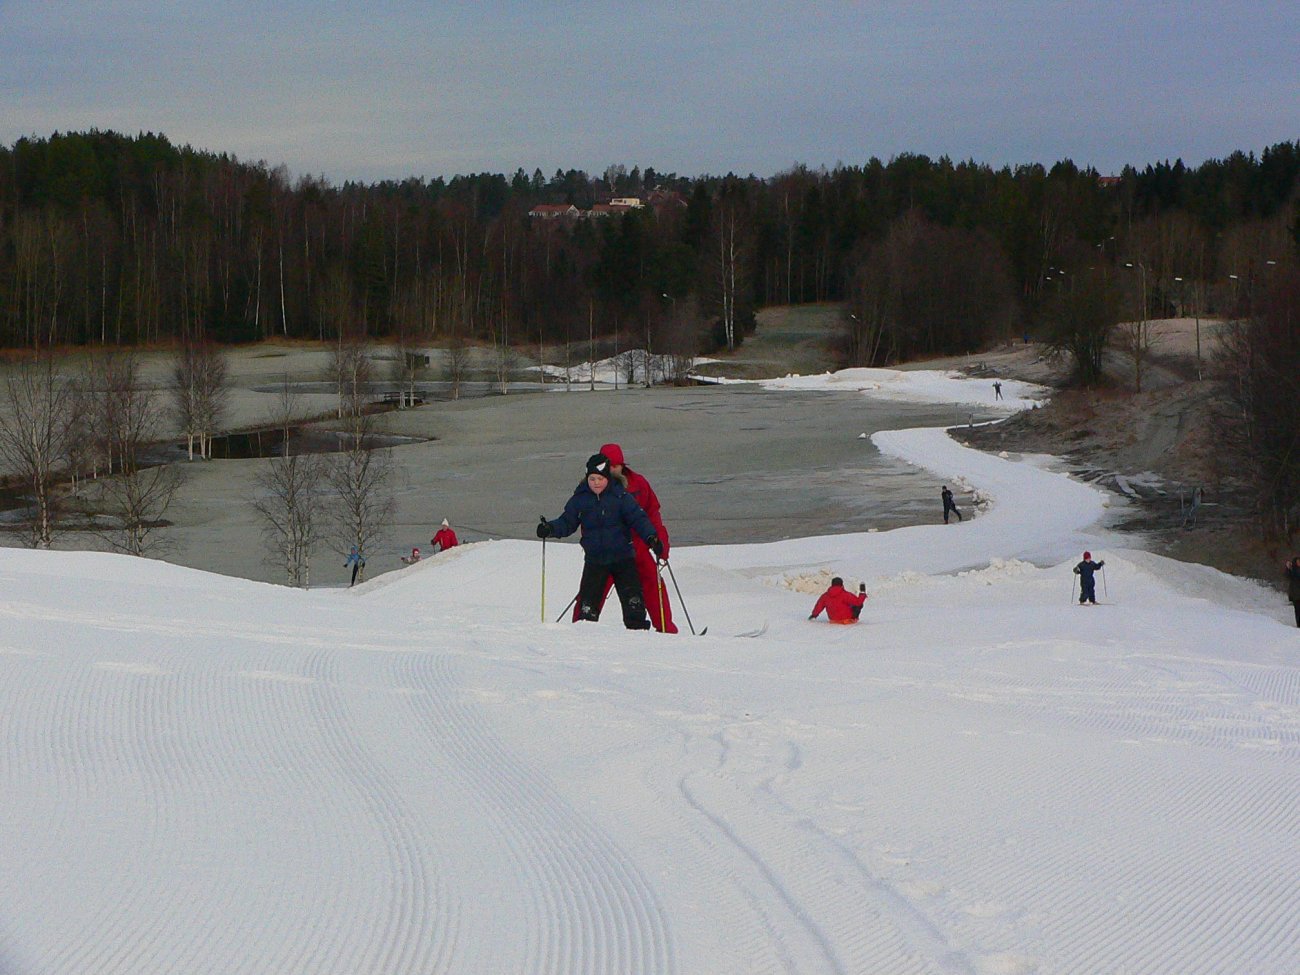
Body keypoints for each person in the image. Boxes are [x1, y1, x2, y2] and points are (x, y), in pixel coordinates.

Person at [538, 453, 664, 630]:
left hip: (623, 559)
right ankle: (585, 639)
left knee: (633, 604)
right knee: (587, 607)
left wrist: (652, 538)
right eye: (592, 479)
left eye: (600, 478)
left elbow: (639, 519)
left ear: (608, 478)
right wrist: (550, 529)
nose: (596, 483)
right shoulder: (580, 500)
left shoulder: (621, 497)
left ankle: (638, 636)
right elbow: (567, 522)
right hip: (595, 561)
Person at [570, 442, 678, 633]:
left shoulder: (639, 484)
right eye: (608, 466)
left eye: (615, 466)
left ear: (622, 466)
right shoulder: (590, 490)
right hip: (605, 553)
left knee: (653, 588)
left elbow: (652, 515)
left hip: (638, 549)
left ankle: (667, 632)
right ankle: (577, 633)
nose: (612, 470)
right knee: (590, 593)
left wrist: (661, 545)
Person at [1285, 557, 1300, 628]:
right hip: (1296, 595)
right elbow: (1287, 576)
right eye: (1298, 562)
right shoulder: (1293, 571)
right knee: (1297, 611)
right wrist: (1288, 568)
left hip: (1296, 594)